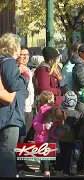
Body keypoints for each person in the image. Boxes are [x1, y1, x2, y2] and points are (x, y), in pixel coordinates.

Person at [0, 33, 28, 177]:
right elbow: (12, 85)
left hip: (4, 112)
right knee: (8, 152)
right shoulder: (9, 62)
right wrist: (23, 78)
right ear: (14, 47)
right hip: (10, 115)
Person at [16, 45, 36, 173]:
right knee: (19, 138)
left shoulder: (28, 70)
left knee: (25, 137)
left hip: (29, 108)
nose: (24, 57)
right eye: (22, 55)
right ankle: (16, 163)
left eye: (27, 55)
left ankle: (22, 162)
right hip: (19, 108)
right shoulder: (16, 69)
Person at [57, 91, 82, 176]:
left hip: (59, 137)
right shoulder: (77, 114)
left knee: (60, 154)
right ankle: (66, 171)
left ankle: (58, 170)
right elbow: (78, 127)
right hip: (71, 138)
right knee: (69, 156)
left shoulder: (59, 111)